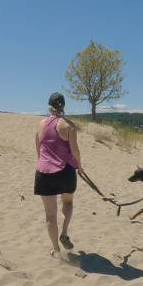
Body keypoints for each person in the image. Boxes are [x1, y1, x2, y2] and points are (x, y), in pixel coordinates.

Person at [34, 92, 83, 257]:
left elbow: (38, 149)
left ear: (49, 106)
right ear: (63, 106)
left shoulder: (40, 124)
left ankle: (56, 249)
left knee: (50, 215)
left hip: (43, 172)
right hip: (65, 171)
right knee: (68, 203)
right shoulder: (69, 126)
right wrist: (80, 166)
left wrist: (44, 163)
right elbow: (75, 150)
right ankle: (64, 231)